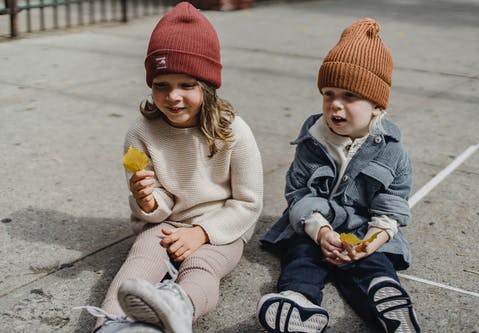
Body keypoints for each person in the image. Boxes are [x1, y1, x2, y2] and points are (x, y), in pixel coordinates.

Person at [78, 2, 263, 332]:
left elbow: (248, 202)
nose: (172, 96)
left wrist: (202, 232)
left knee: (201, 267)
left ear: (207, 86)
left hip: (221, 226)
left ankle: (180, 307)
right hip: (167, 223)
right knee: (139, 262)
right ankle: (112, 323)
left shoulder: (234, 131)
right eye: (161, 84)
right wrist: (148, 201)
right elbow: (153, 203)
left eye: (187, 85)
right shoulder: (140, 132)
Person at [257, 18, 421, 333]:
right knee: (302, 253)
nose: (335, 104)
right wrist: (320, 231)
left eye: (349, 95)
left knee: (373, 262)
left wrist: (372, 241)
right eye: (328, 93)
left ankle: (388, 304)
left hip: (363, 228)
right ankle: (298, 303)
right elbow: (298, 195)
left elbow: (392, 207)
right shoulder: (312, 140)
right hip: (316, 223)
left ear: (376, 105)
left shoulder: (392, 152)